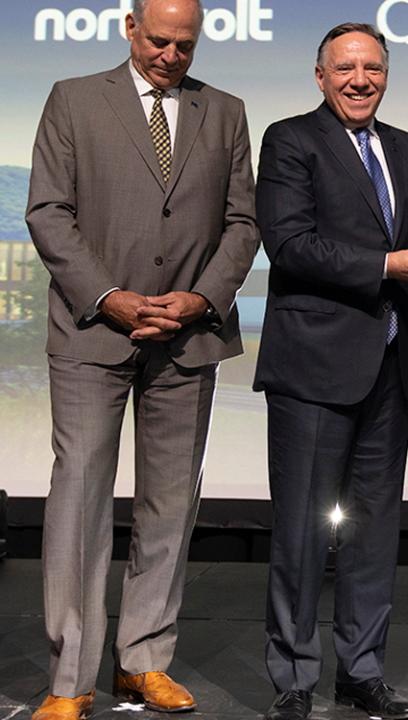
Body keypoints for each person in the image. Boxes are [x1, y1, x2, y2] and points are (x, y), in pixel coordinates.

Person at [23, 0, 259, 718]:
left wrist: (200, 299)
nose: (170, 55)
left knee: (169, 506)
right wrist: (111, 295)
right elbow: (47, 212)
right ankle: (71, 680)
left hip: (187, 337)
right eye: (159, 40)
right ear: (129, 27)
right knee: (80, 500)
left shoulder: (225, 110)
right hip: (95, 331)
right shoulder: (71, 100)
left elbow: (243, 222)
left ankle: (144, 660)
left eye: (184, 44)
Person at [253, 22, 408, 720]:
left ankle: (362, 671)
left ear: (388, 74)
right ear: (320, 76)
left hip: (390, 367)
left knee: (374, 529)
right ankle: (293, 678)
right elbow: (290, 244)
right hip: (312, 366)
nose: (359, 79)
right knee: (303, 531)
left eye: (372, 67)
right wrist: (388, 266)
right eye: (345, 68)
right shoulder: (289, 140)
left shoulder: (407, 148)